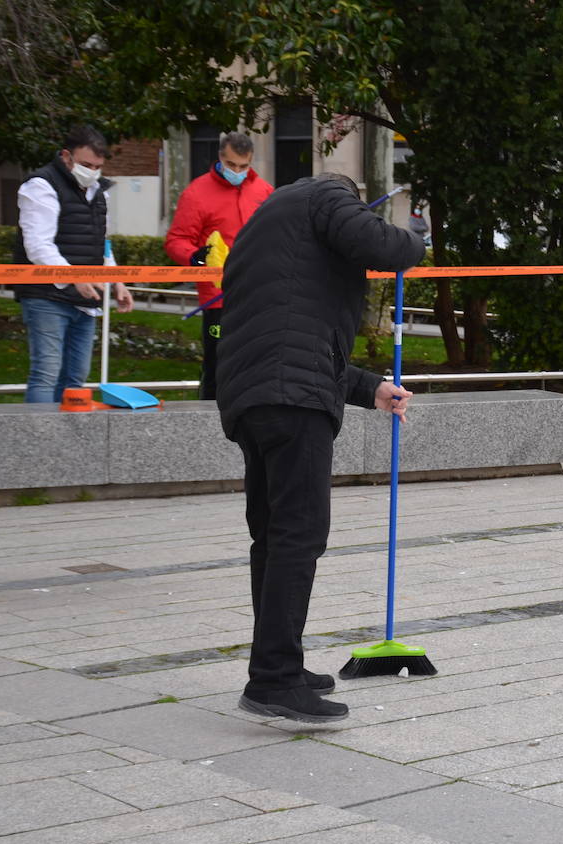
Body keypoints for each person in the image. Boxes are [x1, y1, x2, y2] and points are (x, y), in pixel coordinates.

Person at [217, 172, 426, 723]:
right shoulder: (326, 195)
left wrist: (372, 388)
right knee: (299, 533)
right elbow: (382, 245)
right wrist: (415, 240)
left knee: (274, 534)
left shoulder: (265, 225)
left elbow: (293, 338)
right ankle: (274, 681)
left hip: (253, 398)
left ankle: (276, 664)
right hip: (291, 401)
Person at [13, 125, 134, 403]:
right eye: (86, 164)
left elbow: (102, 244)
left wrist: (117, 281)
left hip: (86, 296)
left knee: (76, 377)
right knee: (46, 371)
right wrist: (74, 276)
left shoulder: (100, 192)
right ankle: (41, 439)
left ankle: (66, 441)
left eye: (97, 166)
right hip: (46, 294)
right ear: (66, 157)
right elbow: (38, 245)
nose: (92, 172)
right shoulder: (40, 185)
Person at [164, 132, 274, 399]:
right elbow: (176, 240)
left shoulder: (264, 191)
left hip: (259, 294)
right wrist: (194, 257)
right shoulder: (197, 193)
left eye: (244, 166)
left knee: (260, 364)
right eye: (232, 165)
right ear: (220, 159)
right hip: (217, 297)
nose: (237, 171)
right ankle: (210, 419)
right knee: (218, 365)